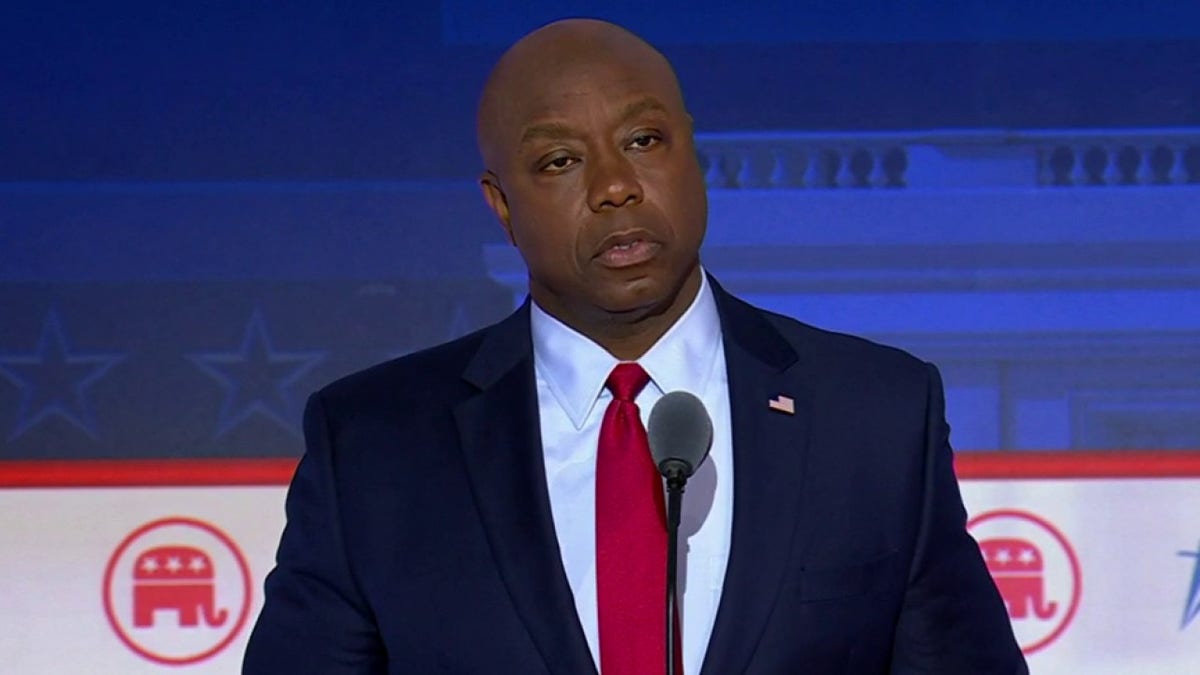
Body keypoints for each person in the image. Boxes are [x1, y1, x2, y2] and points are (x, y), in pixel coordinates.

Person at [243, 18, 1027, 675]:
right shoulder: (375, 446)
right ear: (502, 206)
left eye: (645, 140)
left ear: (693, 153)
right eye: (561, 161)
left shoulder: (876, 414)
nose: (615, 185)